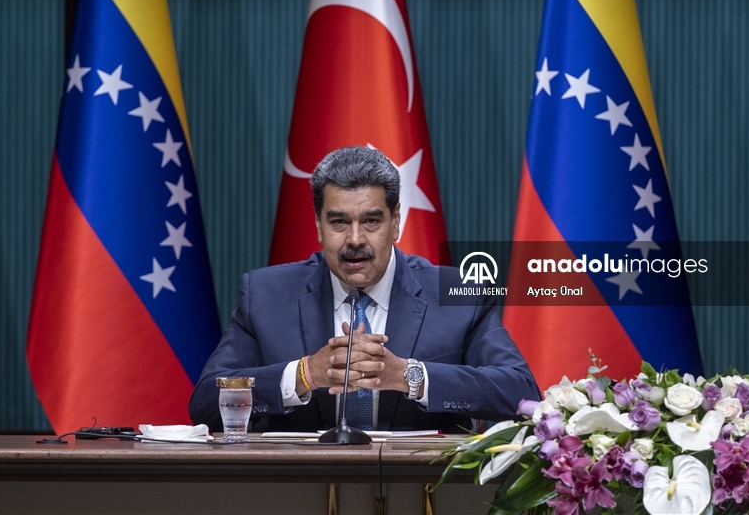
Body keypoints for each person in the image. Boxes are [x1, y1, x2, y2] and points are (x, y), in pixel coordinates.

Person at [189, 146, 539, 433]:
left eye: (371, 221)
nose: (355, 239)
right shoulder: (266, 294)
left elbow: (522, 393)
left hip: (421, 486)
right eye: (339, 222)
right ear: (318, 225)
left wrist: (409, 376)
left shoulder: (459, 294)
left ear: (396, 221)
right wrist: (304, 374)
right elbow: (205, 401)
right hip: (299, 485)